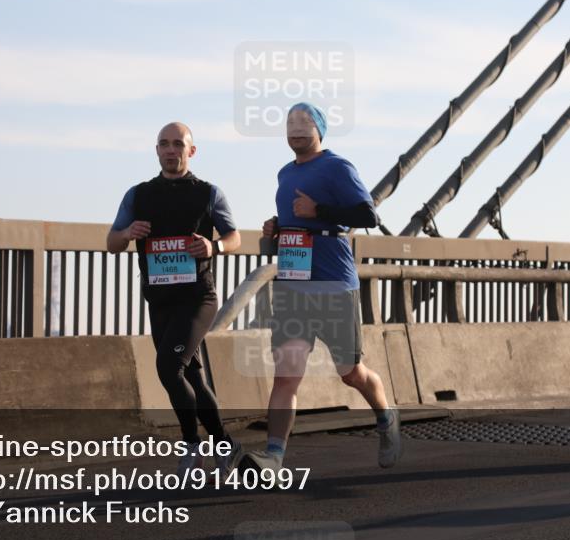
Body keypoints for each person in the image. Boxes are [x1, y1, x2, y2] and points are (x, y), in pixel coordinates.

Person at [243, 102, 402, 472]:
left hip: (332, 284)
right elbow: (299, 221)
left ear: (320, 130)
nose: (296, 129)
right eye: (290, 123)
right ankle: (274, 458)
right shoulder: (284, 173)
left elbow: (368, 216)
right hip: (294, 285)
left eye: (305, 122)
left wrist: (321, 213)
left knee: (350, 373)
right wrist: (278, 228)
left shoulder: (337, 167)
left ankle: (386, 415)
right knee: (287, 374)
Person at [108, 121, 243, 474]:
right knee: (192, 378)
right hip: (160, 300)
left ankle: (192, 445)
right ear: (156, 150)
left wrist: (215, 246)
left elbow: (235, 237)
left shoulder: (208, 193)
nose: (171, 150)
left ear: (191, 151)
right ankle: (225, 445)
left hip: (198, 298)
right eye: (164, 144)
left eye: (178, 144)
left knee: (169, 367)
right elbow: (111, 243)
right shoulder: (138, 195)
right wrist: (127, 232)